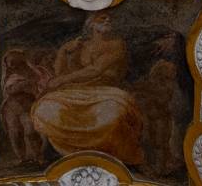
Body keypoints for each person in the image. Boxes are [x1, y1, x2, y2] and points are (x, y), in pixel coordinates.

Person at [28, 12, 144, 165]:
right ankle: (68, 154)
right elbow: (60, 73)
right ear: (92, 24)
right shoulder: (82, 45)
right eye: (102, 18)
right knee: (46, 109)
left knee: (113, 114)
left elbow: (95, 70)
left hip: (107, 91)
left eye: (109, 18)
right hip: (75, 91)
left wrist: (61, 80)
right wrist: (63, 51)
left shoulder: (117, 44)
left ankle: (108, 157)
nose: (108, 19)